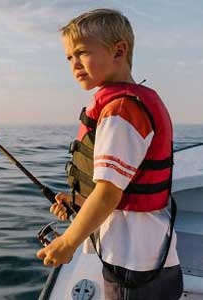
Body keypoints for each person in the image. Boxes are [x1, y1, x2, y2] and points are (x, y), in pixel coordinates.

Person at [36, 8, 183, 300]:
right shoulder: (133, 101)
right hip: (148, 255)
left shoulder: (121, 111)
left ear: (119, 51)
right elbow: (116, 189)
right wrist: (79, 202)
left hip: (133, 264)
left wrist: (68, 242)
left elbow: (108, 195)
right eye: (69, 57)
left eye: (81, 52)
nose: (74, 63)